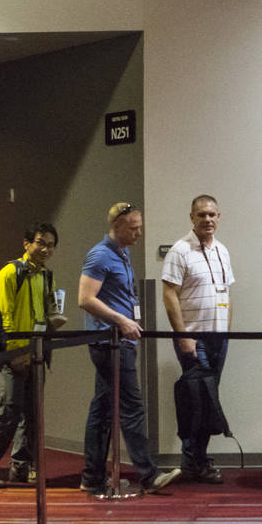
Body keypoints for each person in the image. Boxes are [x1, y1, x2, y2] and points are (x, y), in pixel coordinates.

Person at [78, 203, 180, 494]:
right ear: (118, 225)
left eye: (140, 226)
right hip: (110, 343)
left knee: (102, 409)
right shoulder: (100, 255)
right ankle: (148, 475)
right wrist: (122, 321)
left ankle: (92, 476)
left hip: (119, 341)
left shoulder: (122, 254)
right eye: (134, 227)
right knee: (131, 407)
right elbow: (85, 299)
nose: (139, 232)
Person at [162, 195, 234, 484]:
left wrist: (227, 330)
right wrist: (183, 336)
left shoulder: (222, 250)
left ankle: (197, 459)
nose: (207, 219)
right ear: (192, 217)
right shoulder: (180, 250)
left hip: (219, 338)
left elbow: (227, 292)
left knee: (210, 400)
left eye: (212, 214)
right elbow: (169, 294)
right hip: (193, 338)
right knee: (198, 400)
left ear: (219, 217)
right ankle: (194, 461)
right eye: (201, 215)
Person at [0, 223, 66, 486]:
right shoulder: (11, 273)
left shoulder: (47, 276)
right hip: (14, 355)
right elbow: (3, 317)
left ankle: (21, 466)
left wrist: (55, 320)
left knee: (32, 414)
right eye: (40, 243)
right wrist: (14, 353)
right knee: (9, 411)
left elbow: (48, 312)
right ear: (27, 244)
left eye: (50, 245)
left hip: (37, 354)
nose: (45, 249)